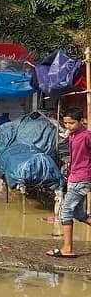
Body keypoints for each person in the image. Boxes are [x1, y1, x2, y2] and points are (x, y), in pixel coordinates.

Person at [47, 107, 91, 258]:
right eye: (65, 123)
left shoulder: (86, 136)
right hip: (74, 177)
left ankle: (67, 249)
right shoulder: (72, 135)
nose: (68, 126)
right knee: (79, 214)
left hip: (81, 178)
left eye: (71, 123)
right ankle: (67, 248)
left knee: (65, 211)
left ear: (81, 121)